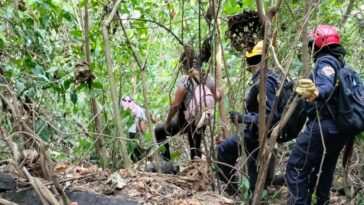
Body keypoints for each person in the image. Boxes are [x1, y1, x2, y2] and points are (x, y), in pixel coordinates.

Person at [285, 25, 350, 205]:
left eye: (312, 44)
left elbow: (326, 86)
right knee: (324, 170)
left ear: (320, 43)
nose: (311, 48)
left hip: (324, 126)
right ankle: (322, 201)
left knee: (296, 166)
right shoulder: (341, 63)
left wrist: (316, 93)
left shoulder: (325, 61)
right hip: (340, 129)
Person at [216, 41, 283, 197]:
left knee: (224, 149)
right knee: (255, 173)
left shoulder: (264, 82)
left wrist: (243, 118)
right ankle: (249, 193)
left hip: (257, 136)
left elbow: (269, 116)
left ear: (250, 60)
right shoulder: (269, 77)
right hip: (257, 134)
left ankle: (237, 192)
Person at [154, 56, 219, 162]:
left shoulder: (185, 80)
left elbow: (175, 105)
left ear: (186, 66)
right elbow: (218, 96)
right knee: (195, 147)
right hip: (202, 119)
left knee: (159, 130)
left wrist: (167, 122)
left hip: (186, 121)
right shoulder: (208, 78)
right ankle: (197, 173)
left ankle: (167, 163)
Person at [120, 96, 148, 162]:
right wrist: (144, 133)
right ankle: (136, 162)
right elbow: (142, 124)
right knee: (135, 149)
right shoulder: (140, 109)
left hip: (123, 131)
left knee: (126, 148)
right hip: (134, 131)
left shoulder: (122, 107)